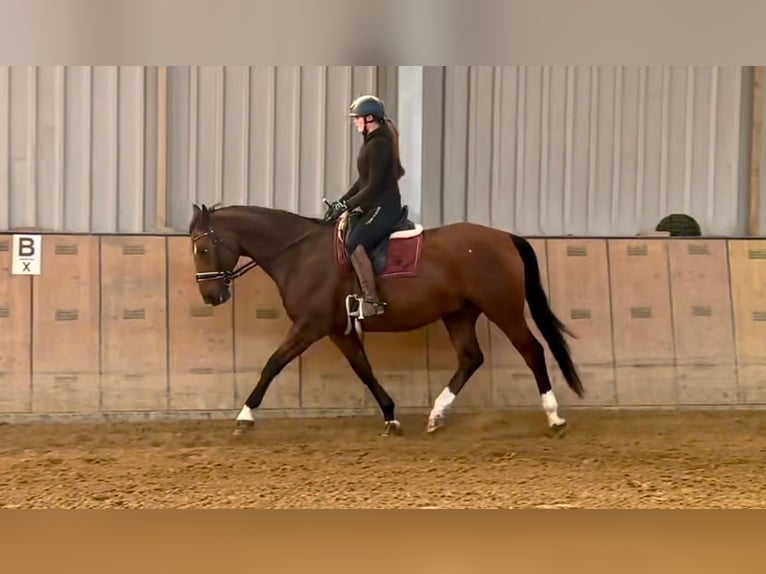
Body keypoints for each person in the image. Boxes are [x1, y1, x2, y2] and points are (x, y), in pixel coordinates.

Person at [324, 94, 406, 318]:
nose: (355, 122)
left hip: (384, 207)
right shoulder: (371, 143)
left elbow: (373, 186)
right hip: (374, 205)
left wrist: (348, 204)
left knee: (354, 242)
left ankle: (372, 301)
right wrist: (341, 202)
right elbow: (362, 181)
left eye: (357, 118)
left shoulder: (379, 144)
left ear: (369, 118)